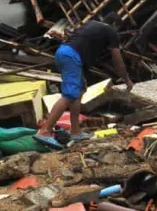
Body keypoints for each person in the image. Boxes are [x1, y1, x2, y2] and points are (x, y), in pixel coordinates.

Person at [34, 12, 133, 148]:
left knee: (79, 90)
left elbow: (81, 43)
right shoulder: (110, 31)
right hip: (71, 56)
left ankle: (75, 132)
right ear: (115, 24)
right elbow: (117, 60)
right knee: (69, 95)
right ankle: (44, 131)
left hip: (63, 52)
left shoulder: (91, 24)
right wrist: (126, 79)